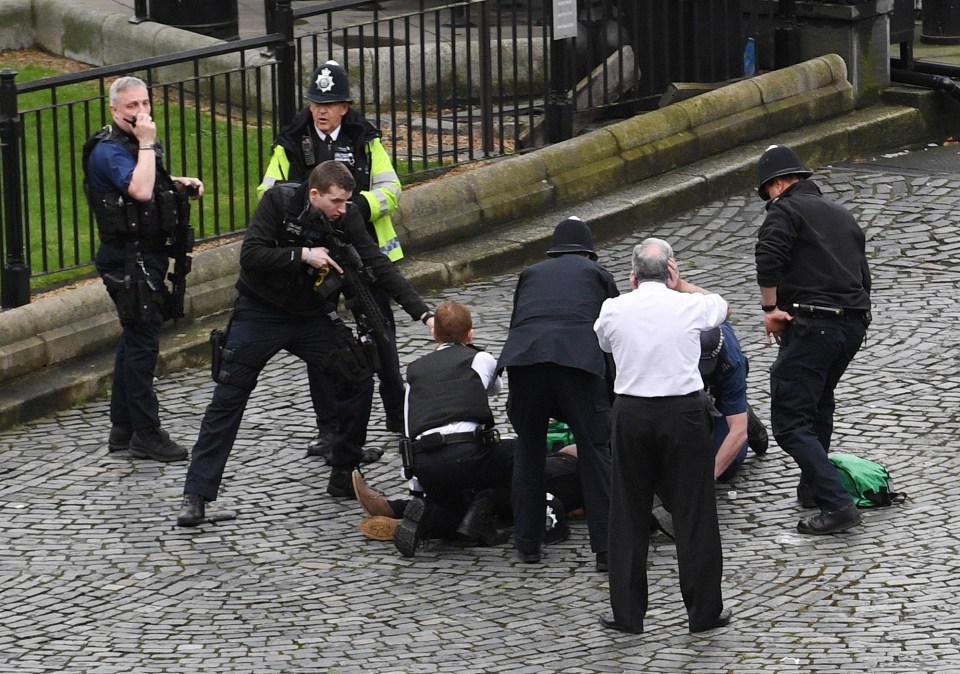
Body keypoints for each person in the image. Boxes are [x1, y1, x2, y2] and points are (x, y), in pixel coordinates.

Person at [176, 161, 433, 526]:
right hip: (260, 312)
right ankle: (196, 496)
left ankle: (344, 472)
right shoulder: (278, 203)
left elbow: (378, 264)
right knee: (228, 396)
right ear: (315, 194)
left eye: (347, 202)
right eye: (337, 202)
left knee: (359, 374)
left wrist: (423, 314)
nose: (343, 209)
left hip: (311, 315)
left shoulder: (347, 216)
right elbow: (251, 254)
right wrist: (302, 255)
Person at [259, 60, 406, 460]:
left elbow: (391, 188)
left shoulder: (364, 137)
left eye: (330, 103)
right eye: (315, 103)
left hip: (363, 253)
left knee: (381, 334)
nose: (321, 111)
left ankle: (398, 412)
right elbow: (268, 194)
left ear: (345, 106)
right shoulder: (291, 140)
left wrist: (355, 207)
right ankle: (329, 428)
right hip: (314, 257)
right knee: (320, 345)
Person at [594, 237, 731, 635]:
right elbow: (723, 307)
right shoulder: (688, 304)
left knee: (627, 513)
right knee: (694, 512)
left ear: (633, 276)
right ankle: (703, 612)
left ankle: (628, 614)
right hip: (683, 413)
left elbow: (603, 341)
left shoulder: (614, 308)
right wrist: (683, 285)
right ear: (670, 269)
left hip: (632, 412)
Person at [82, 76, 204, 462]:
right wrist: (148, 143)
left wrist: (180, 183)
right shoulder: (109, 151)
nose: (140, 112)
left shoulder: (135, 144)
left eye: (145, 104)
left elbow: (150, 182)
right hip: (128, 262)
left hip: (143, 257)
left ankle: (122, 430)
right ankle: (146, 434)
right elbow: (138, 190)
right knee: (143, 346)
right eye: (131, 107)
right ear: (114, 111)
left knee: (134, 340)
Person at [755, 144, 871, 536]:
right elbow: (863, 275)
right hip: (851, 326)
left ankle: (837, 504)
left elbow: (768, 256)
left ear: (779, 184)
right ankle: (813, 487)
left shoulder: (785, 210)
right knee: (818, 402)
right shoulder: (842, 214)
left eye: (768, 190)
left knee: (790, 421)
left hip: (813, 324)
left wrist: (771, 309)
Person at [497, 216, 617, 569]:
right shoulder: (598, 275)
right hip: (577, 363)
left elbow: (519, 321)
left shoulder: (530, 274)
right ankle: (607, 549)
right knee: (596, 452)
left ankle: (528, 542)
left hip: (526, 360)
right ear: (588, 253)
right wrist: (610, 396)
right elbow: (613, 335)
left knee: (529, 450)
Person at [385, 301, 515, 558]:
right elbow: (495, 388)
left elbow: (409, 428)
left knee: (455, 511)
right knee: (520, 452)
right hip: (469, 454)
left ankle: (427, 515)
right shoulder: (480, 358)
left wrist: (416, 489)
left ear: (434, 334)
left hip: (426, 463)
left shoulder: (415, 370)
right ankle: (484, 509)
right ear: (470, 334)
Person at [699, 322, 769, 482]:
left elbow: (737, 432)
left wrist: (710, 478)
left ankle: (744, 413)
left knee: (726, 468)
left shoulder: (732, 361)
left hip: (724, 385)